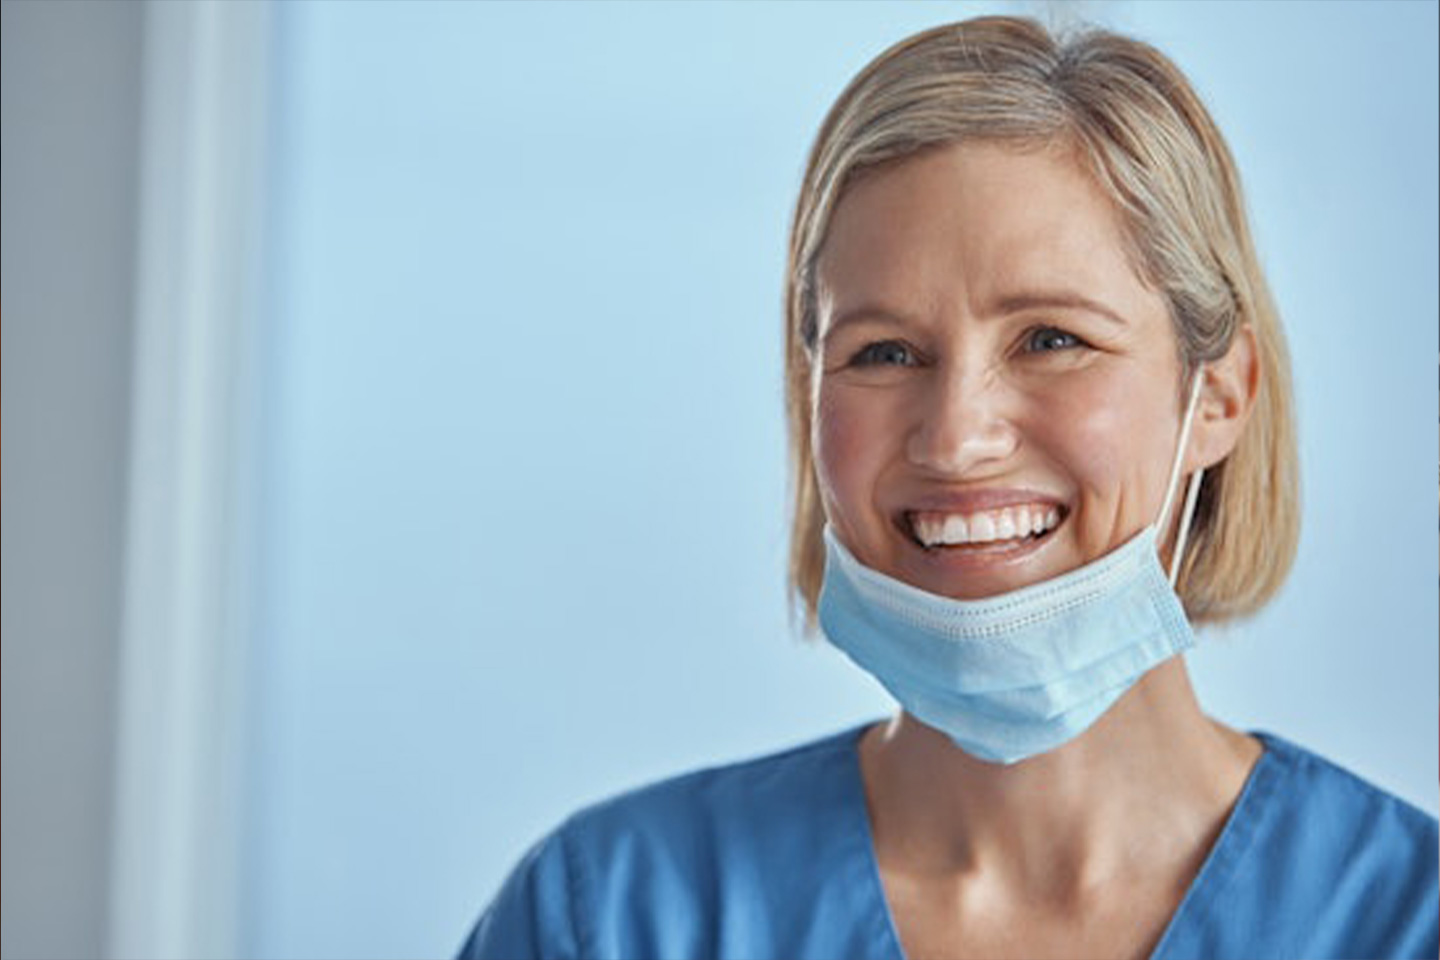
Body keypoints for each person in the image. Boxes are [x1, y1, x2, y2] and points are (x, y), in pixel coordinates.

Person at [457, 16, 1438, 960]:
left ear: (1217, 397)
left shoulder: (1406, 922)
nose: (958, 438)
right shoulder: (613, 920)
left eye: (1052, 339)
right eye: (883, 352)